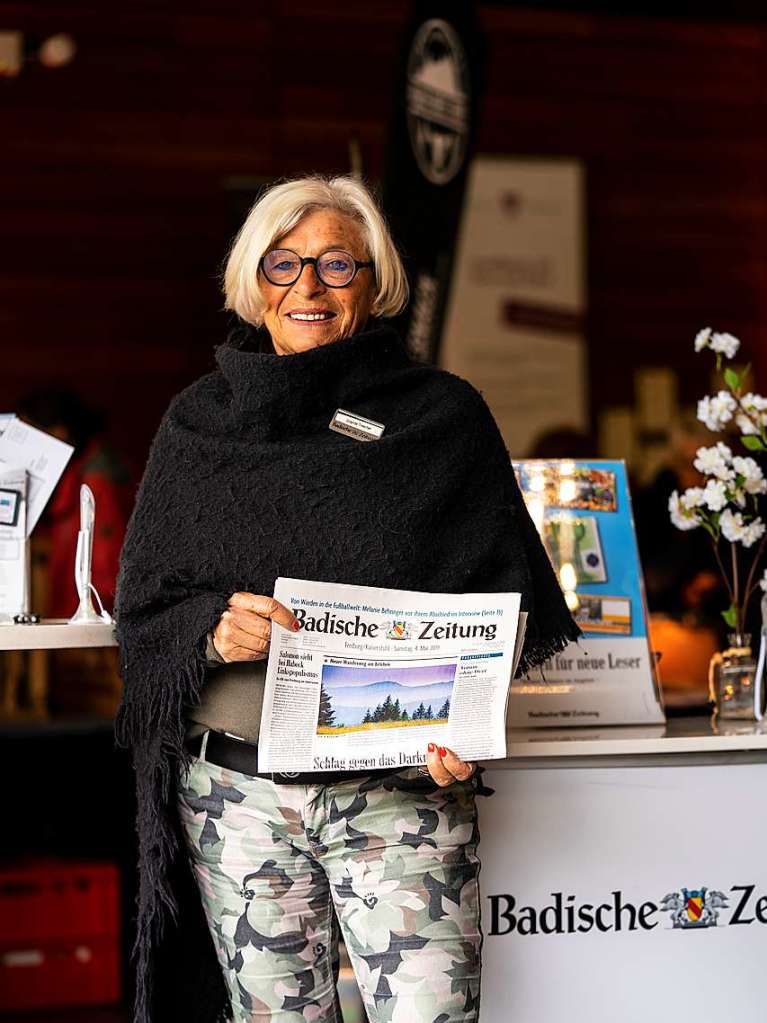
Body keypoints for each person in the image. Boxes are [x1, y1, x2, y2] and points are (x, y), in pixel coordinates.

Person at [114, 175, 579, 1023]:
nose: (308, 288)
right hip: (239, 798)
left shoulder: (442, 419)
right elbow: (144, 601)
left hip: (401, 791)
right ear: (253, 280)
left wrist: (467, 721)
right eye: (283, 263)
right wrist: (212, 628)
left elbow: (502, 607)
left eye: (335, 264)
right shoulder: (199, 423)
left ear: (375, 281)